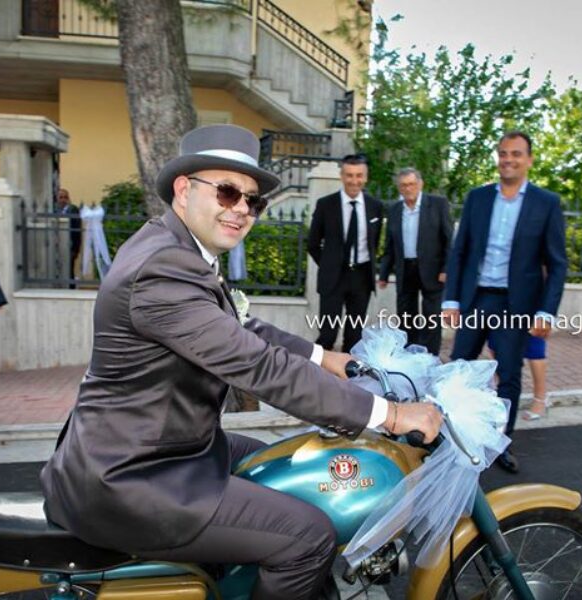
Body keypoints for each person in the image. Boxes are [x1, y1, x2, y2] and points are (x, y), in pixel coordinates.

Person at [40, 125, 441, 600]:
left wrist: (324, 356)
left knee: (291, 462)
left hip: (166, 442)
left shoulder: (178, 248)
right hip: (132, 476)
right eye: (228, 192)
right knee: (306, 536)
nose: (242, 210)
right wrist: (389, 415)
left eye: (253, 200)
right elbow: (257, 366)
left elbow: (238, 329)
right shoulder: (162, 268)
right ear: (184, 189)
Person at [441, 131, 567, 473]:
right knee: (459, 366)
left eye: (516, 154)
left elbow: (557, 263)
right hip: (477, 297)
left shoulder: (546, 203)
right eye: (503, 153)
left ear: (528, 160)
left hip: (517, 304)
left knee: (508, 374)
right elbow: (460, 251)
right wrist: (451, 300)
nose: (508, 159)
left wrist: (546, 311)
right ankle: (447, 434)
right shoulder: (478, 198)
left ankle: (500, 443)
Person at [308, 154, 383, 352]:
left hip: (362, 277)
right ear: (342, 176)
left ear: (365, 177)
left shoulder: (375, 206)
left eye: (359, 175)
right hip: (333, 276)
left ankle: (349, 379)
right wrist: (328, 264)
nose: (354, 181)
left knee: (355, 335)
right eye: (349, 175)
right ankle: (316, 377)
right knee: (327, 333)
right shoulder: (325, 204)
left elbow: (374, 242)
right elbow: (313, 243)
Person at [377, 167, 453, 355]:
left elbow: (450, 240)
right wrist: (384, 274)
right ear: (399, 188)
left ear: (420, 184)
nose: (408, 188)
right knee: (405, 316)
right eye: (404, 185)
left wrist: (447, 268)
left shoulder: (438, 204)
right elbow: (390, 245)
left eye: (411, 184)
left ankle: (430, 357)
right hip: (406, 269)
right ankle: (409, 355)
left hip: (433, 270)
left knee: (431, 317)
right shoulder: (395, 210)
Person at [56, 188, 81, 286]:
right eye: (60, 197)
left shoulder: (73, 210)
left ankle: (71, 287)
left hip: (70, 245)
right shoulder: (54, 209)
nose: (63, 200)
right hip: (56, 244)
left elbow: (77, 231)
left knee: (69, 268)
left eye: (65, 197)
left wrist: (76, 249)